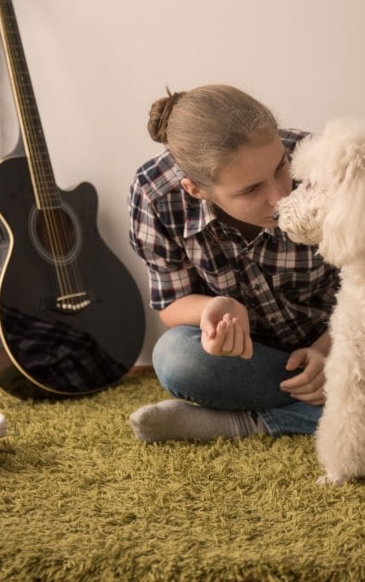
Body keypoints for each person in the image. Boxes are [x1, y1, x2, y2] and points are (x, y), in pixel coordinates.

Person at [127, 84, 340, 442]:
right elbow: (171, 304)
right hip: (252, 359)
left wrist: (326, 352)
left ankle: (246, 423)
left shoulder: (322, 164)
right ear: (196, 189)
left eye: (281, 166)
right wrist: (215, 308)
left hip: (344, 338)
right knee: (175, 357)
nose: (281, 195)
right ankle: (342, 413)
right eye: (250, 190)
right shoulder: (154, 194)